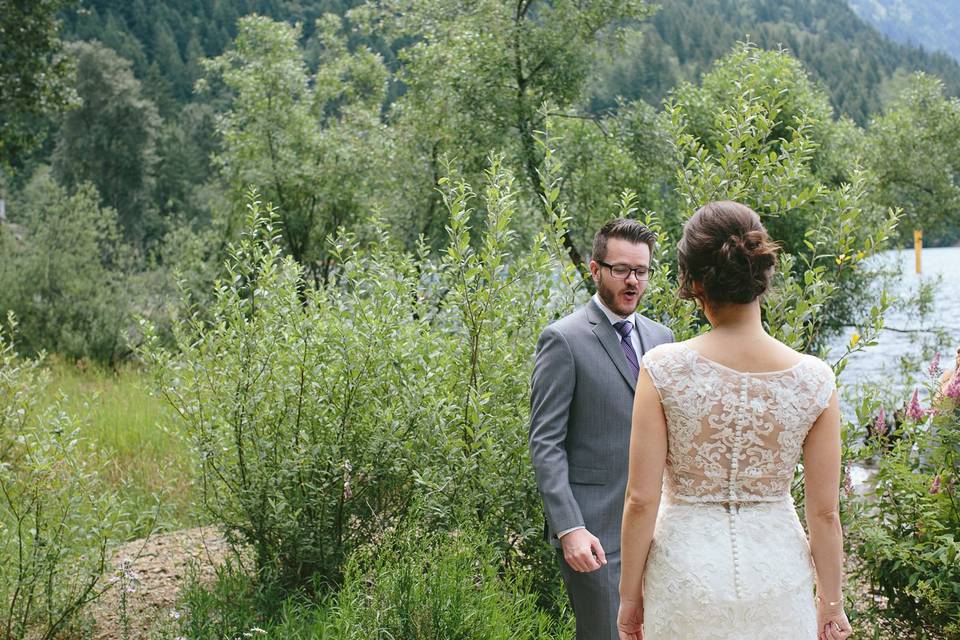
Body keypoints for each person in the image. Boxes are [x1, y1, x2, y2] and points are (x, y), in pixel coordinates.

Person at [616, 201, 853, 640]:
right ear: (762, 272)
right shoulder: (815, 379)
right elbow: (823, 513)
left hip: (686, 576)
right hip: (777, 577)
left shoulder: (663, 368)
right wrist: (831, 604)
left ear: (694, 282)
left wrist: (630, 600)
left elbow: (641, 501)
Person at [529, 218, 673, 639]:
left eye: (641, 271)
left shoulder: (662, 338)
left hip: (660, 529)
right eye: (621, 270)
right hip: (594, 534)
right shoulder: (563, 339)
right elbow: (546, 443)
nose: (633, 281)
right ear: (595, 270)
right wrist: (569, 527)